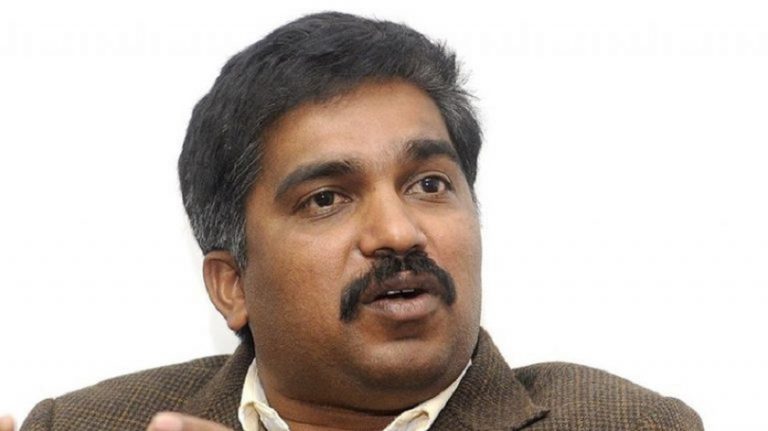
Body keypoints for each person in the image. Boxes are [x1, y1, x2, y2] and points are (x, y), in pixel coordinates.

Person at [6, 12, 702, 431]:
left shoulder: (629, 424)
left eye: (429, 184)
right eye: (326, 199)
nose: (398, 232)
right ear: (232, 285)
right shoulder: (83, 425)